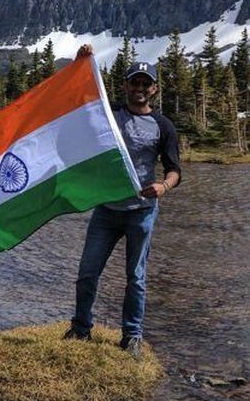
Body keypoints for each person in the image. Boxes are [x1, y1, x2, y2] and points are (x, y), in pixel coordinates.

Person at [64, 45, 181, 360]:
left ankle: (131, 336)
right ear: (126, 85)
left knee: (136, 278)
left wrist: (163, 186)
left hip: (141, 214)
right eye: (135, 82)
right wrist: (81, 63)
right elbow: (79, 104)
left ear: (154, 89)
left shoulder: (163, 126)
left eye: (146, 83)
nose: (140, 88)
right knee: (88, 271)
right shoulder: (110, 114)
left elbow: (174, 171)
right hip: (106, 210)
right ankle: (80, 328)